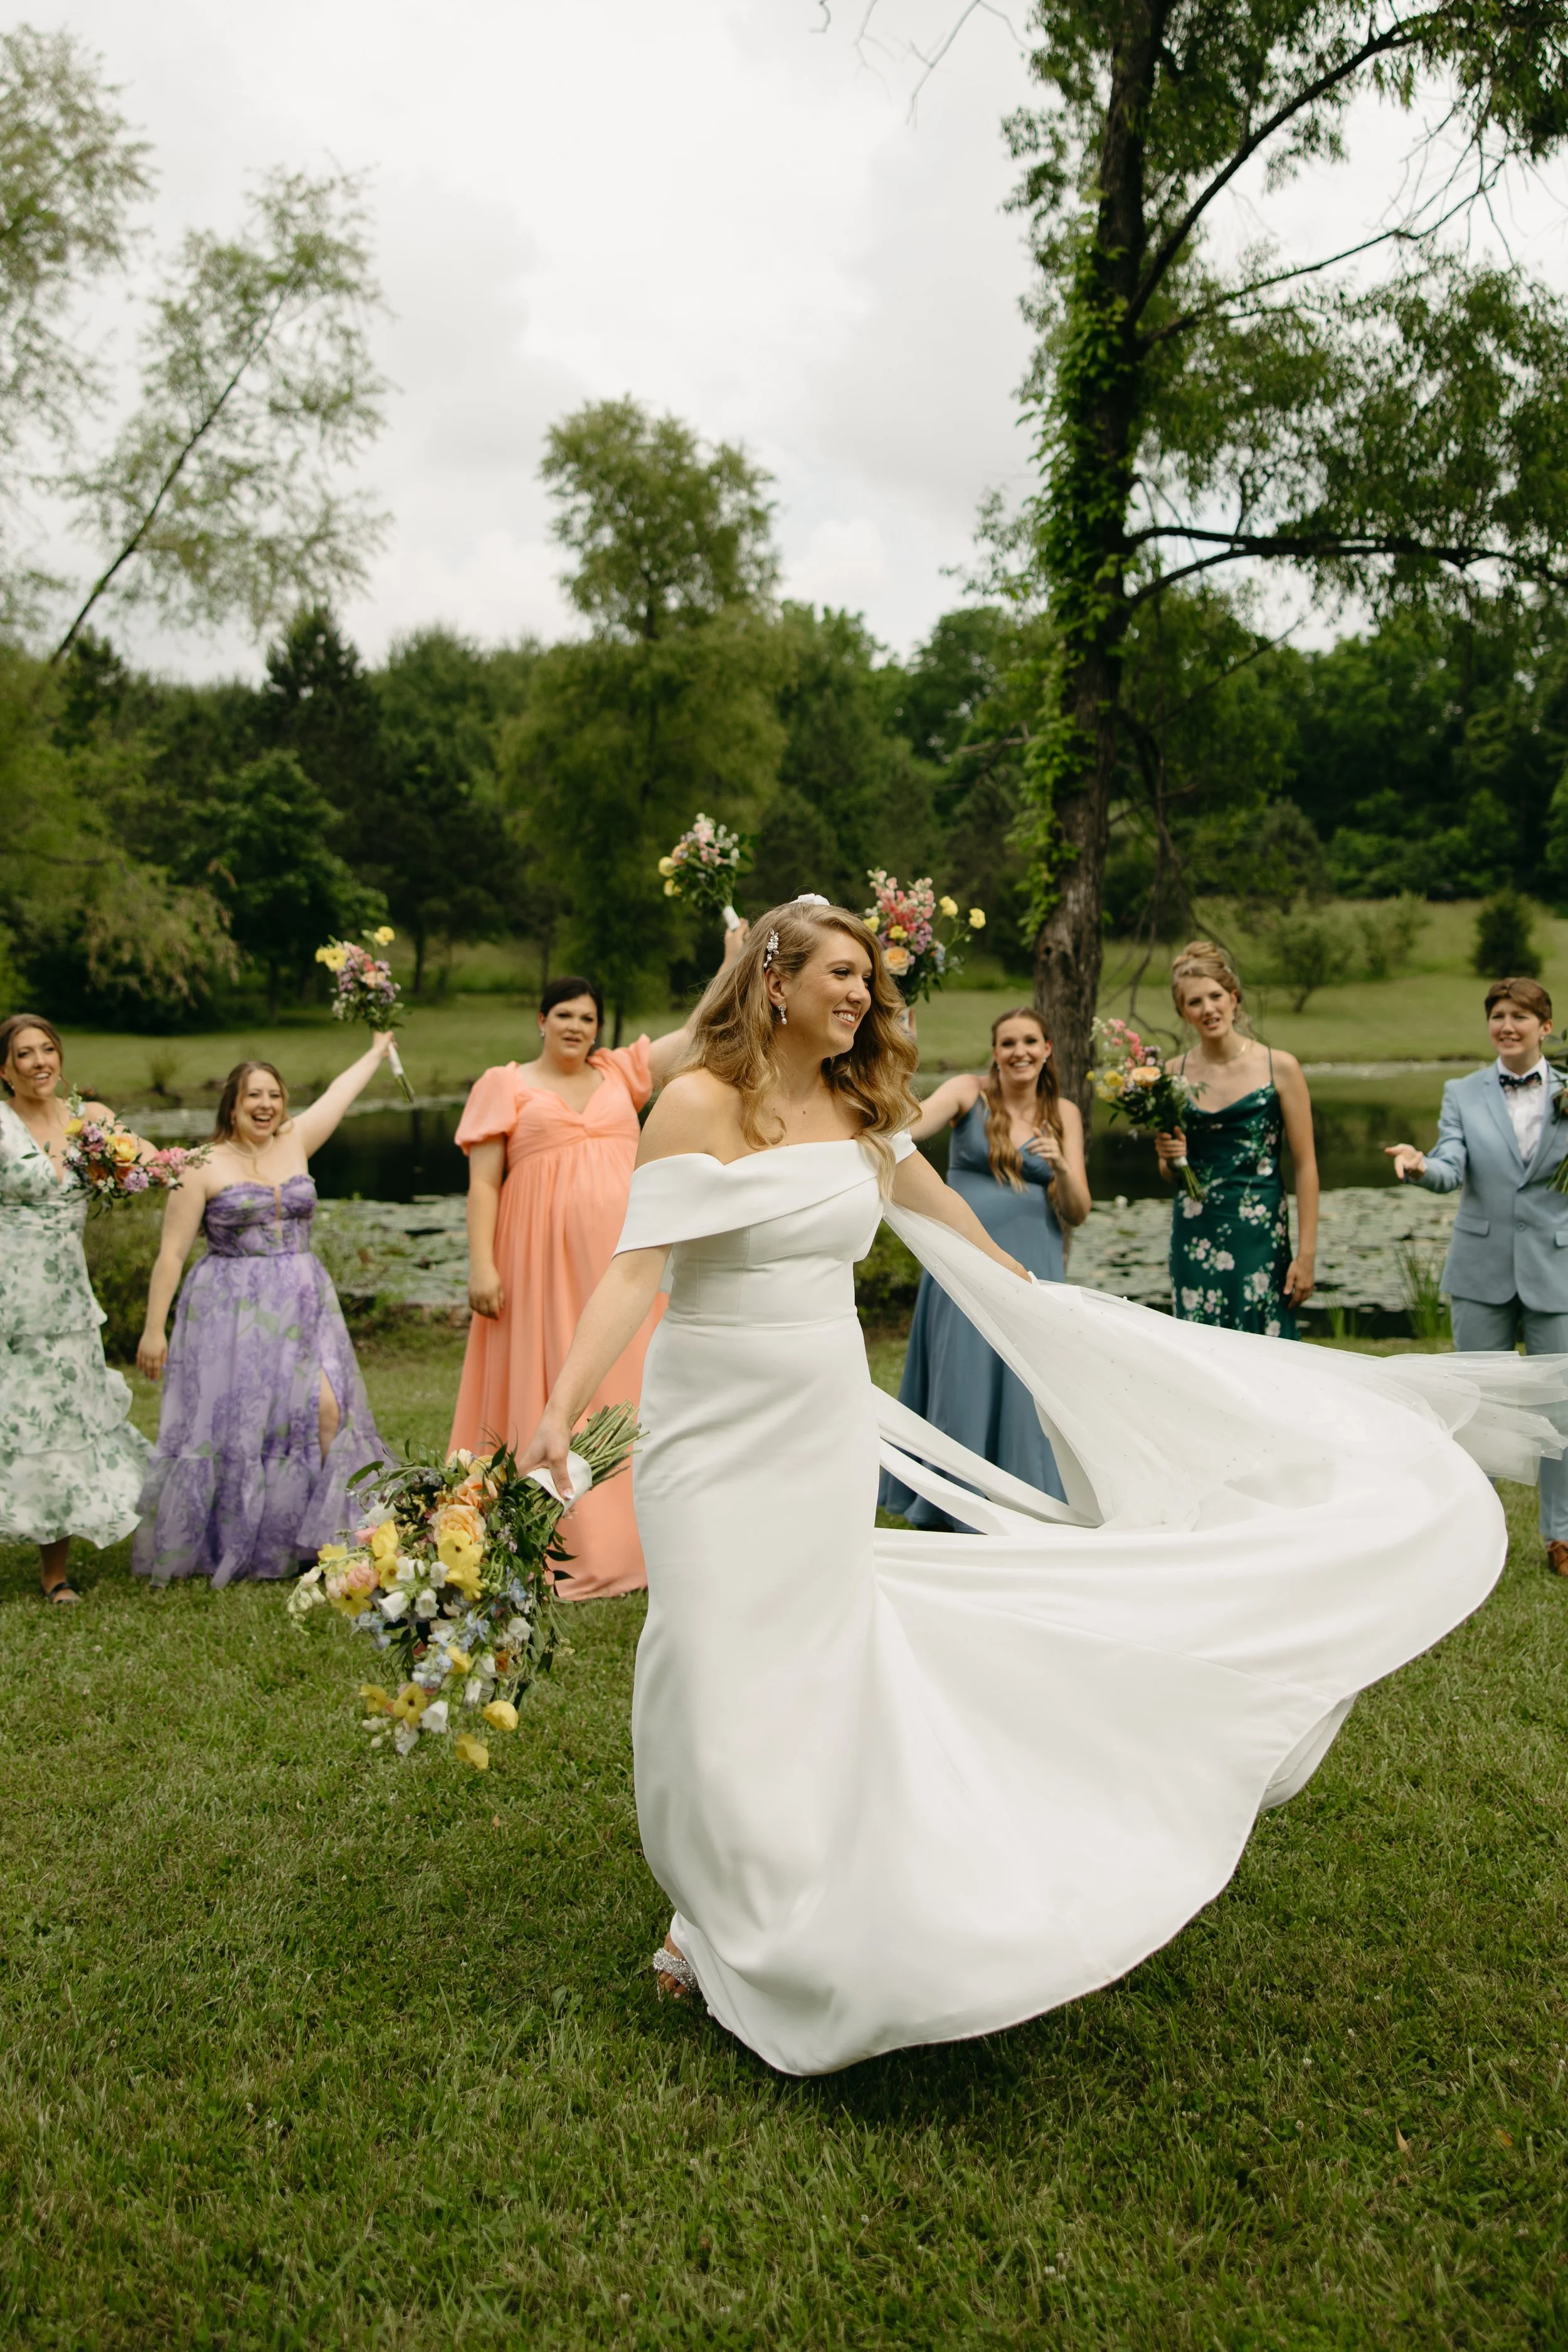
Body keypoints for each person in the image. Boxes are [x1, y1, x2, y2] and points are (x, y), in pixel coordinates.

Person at [516, 898, 1549, 2078]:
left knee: (808, 1656)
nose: (862, 995)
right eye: (842, 974)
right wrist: (560, 1404)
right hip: (708, 1422)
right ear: (774, 979)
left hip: (817, 1417)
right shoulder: (694, 1102)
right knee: (702, 1652)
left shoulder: (863, 1105)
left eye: (871, 980)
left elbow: (931, 1205)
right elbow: (637, 1267)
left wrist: (1026, 1294)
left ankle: (773, 1902)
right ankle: (708, 1907)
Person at [451, 932, 747, 1601]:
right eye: (564, 1016)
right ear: (541, 1021)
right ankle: (559, 1532)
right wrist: (481, 1264)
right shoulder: (506, 1085)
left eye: (587, 1018)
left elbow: (698, 1029)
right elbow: (484, 1185)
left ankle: (650, 1532)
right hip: (536, 1267)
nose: (576, 1028)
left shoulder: (621, 1073)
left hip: (625, 1261)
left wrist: (730, 964)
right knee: (554, 1376)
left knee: (634, 1379)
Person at [132, 1036, 395, 1585]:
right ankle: (251, 1540)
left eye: (274, 1095)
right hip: (231, 1311)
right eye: (254, 1095)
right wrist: (154, 1329)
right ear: (232, 1103)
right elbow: (172, 1252)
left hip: (304, 1301)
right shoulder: (200, 1164)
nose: (266, 1105)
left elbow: (340, 1095)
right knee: (245, 1426)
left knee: (327, 1410)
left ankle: (338, 1539)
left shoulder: (294, 1141)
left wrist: (375, 1049)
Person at [1385, 975, 1568, 1576]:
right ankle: (1473, 1533)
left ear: (1545, 1026)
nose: (1506, 1025)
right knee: (1476, 1407)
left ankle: (1561, 1536)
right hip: (1481, 1270)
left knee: (1562, 1409)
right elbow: (1450, 1166)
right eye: (1497, 1015)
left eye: (1520, 1015)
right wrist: (1418, 1166)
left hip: (1556, 1268)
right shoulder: (1461, 1092)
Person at [880, 1005, 1089, 1525]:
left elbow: (1079, 1210)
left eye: (1030, 1042)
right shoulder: (966, 1093)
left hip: (1032, 1259)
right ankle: (953, 1494)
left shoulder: (1063, 1113)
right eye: (1008, 1043)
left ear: (1047, 1050)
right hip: (964, 1258)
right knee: (965, 1375)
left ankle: (1029, 1492)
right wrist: (896, 1055)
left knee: (1029, 1383)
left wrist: (1061, 1165)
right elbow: (905, 1126)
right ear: (995, 1053)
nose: (1020, 1052)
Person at [0, 1014, 154, 1602]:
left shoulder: (89, 1120)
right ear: (5, 1069)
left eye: (48, 1050)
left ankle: (54, 1575)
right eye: (24, 1054)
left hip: (66, 1303)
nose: (39, 1062)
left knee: (60, 1427)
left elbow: (153, 1165)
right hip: (9, 1299)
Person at [1157, 941, 1318, 1337]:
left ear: (1234, 999)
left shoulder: (1279, 1067)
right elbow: (1168, 1173)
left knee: (1264, 1348)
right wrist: (1169, 1157)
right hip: (1196, 1232)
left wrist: (1307, 1255)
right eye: (1195, 1002)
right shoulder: (1170, 1074)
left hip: (1260, 1233)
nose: (1208, 1009)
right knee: (1200, 1349)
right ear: (1183, 1012)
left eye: (1216, 997)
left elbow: (1305, 1164)